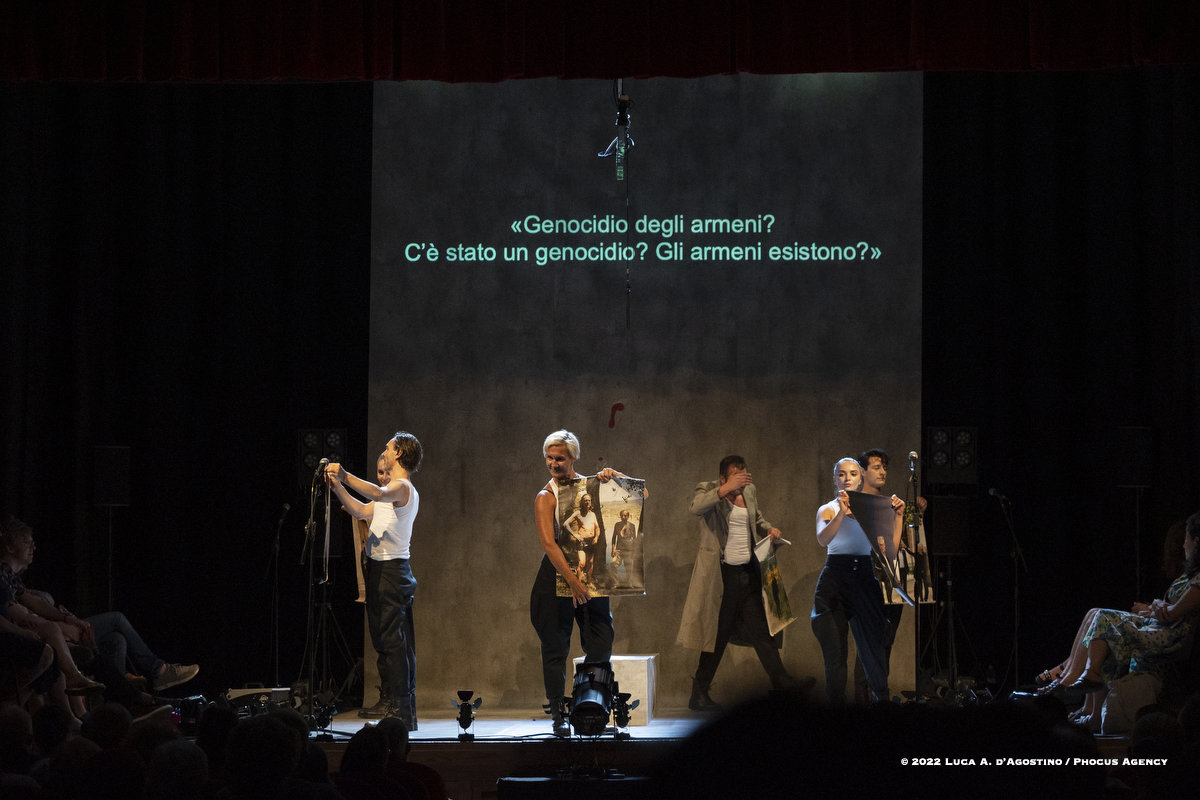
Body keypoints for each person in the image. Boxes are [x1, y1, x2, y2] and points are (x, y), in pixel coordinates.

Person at [0, 516, 195, 702]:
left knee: (116, 640)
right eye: (26, 542)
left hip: (53, 630)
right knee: (117, 619)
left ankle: (118, 702)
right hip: (40, 635)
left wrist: (68, 619)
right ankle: (157, 672)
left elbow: (35, 603)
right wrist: (64, 625)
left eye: (33, 542)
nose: (33, 547)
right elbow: (24, 614)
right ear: (9, 547)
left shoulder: (13, 578)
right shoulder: (2, 574)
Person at [1034, 511, 1200, 726]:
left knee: (1104, 621)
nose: (1184, 544)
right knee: (1095, 614)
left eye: (1187, 538)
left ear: (1196, 541)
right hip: (1162, 628)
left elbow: (1172, 613)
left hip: (1169, 638)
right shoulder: (1191, 575)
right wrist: (1156, 608)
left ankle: (1078, 676)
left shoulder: (1198, 579)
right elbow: (1173, 610)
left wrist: (1156, 608)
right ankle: (1085, 695)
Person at [677, 455, 799, 712]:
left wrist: (769, 529)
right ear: (723, 477)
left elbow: (757, 519)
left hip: (749, 573)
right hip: (723, 578)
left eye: (745, 477)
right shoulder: (708, 490)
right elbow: (695, 508)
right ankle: (699, 692)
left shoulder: (749, 491)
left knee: (763, 631)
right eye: (736, 477)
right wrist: (725, 489)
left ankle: (782, 682)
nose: (742, 483)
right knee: (717, 636)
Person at [530, 429, 626, 736]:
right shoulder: (546, 496)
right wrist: (572, 582)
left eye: (560, 458)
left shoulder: (592, 487)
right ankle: (559, 713)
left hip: (589, 577)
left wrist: (615, 477)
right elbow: (549, 544)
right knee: (555, 647)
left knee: (601, 640)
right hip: (557, 576)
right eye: (549, 458)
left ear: (573, 458)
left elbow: (641, 496)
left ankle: (591, 706)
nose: (553, 464)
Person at [326, 430, 423, 731]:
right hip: (379, 570)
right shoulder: (387, 492)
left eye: (389, 447)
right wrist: (336, 486)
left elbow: (378, 494)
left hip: (393, 571)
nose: (385, 449)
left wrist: (345, 475)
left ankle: (403, 711)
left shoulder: (402, 488)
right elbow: (359, 510)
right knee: (384, 640)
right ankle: (393, 702)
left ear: (399, 453)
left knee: (394, 642)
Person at [811, 457, 903, 704]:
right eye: (841, 474)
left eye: (853, 474)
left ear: (860, 478)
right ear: (835, 479)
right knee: (835, 657)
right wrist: (842, 512)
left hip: (864, 579)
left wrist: (898, 517)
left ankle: (880, 702)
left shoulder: (871, 509)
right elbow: (823, 539)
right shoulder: (828, 509)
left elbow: (890, 552)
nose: (847, 478)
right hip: (834, 582)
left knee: (874, 651)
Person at [610, 509, 641, 588]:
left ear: (628, 516)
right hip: (619, 550)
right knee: (613, 564)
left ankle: (629, 584)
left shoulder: (632, 526)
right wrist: (613, 549)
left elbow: (634, 539)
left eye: (625, 515)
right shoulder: (617, 525)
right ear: (620, 516)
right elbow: (614, 538)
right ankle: (615, 583)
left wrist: (634, 551)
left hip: (629, 550)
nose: (623, 517)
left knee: (629, 568)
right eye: (622, 515)